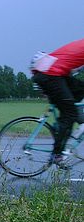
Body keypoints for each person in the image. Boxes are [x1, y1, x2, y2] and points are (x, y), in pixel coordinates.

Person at [30, 38, 84, 168]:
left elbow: (77, 69)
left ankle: (75, 121)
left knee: (81, 89)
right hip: (52, 75)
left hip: (51, 72)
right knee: (69, 114)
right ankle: (57, 154)